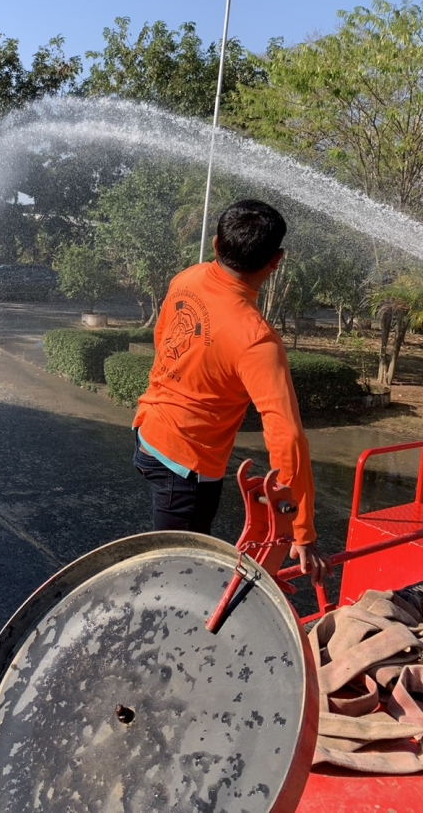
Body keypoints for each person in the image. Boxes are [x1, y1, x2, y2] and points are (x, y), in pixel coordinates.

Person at [132, 199, 327, 583]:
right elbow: (287, 437)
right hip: (186, 469)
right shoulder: (256, 339)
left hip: (147, 431)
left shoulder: (187, 278)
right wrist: (300, 528)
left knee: (179, 559)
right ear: (276, 261)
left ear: (216, 244)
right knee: (177, 576)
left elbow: (163, 339)